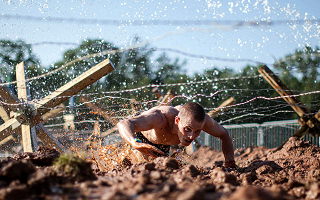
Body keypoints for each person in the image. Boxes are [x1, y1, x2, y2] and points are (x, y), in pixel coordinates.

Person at [117, 102, 236, 168]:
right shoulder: (160, 117)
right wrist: (134, 142)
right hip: (140, 137)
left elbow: (224, 134)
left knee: (166, 169)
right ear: (177, 121)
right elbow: (123, 123)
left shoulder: (202, 122)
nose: (191, 137)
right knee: (132, 166)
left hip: (162, 145)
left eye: (197, 131)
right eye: (187, 129)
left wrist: (230, 161)